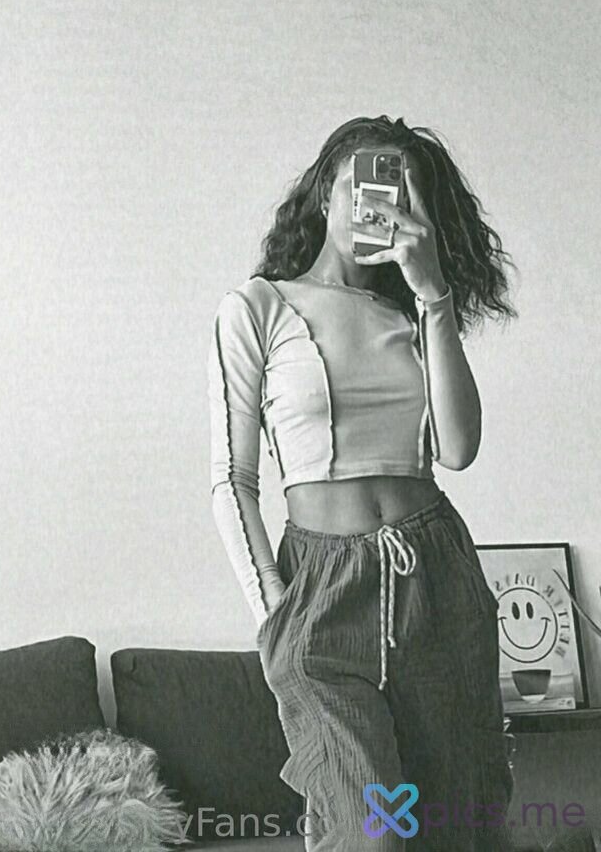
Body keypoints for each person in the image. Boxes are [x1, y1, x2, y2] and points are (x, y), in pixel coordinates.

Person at [207, 114, 518, 850]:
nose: (377, 206)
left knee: (459, 824)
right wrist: (275, 613)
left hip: (436, 579)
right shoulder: (257, 307)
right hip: (321, 592)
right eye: (363, 184)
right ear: (326, 191)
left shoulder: (413, 314)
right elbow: (231, 480)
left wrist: (434, 294)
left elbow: (460, 449)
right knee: (368, 829)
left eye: (401, 195)